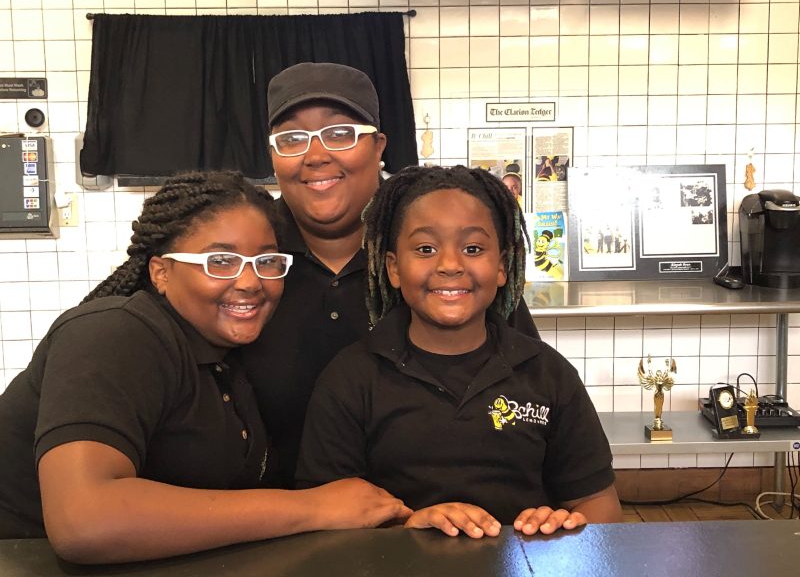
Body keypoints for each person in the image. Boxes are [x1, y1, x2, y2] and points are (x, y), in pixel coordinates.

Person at [0, 172, 410, 563]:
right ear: (161, 272)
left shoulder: (225, 360)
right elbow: (84, 522)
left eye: (266, 262)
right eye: (220, 261)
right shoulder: (113, 333)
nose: (251, 282)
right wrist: (313, 508)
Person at [241, 62, 540, 489]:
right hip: (272, 522)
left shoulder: (435, 260)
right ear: (273, 155)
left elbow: (528, 382)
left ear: (379, 146)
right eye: (291, 139)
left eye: (340, 133)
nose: (316, 155)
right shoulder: (247, 257)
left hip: (440, 521)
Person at [296, 165, 621, 538]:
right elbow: (321, 523)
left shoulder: (548, 373)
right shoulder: (350, 379)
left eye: (472, 248)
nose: (450, 265)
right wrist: (407, 526)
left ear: (501, 266)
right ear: (394, 268)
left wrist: (565, 527)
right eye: (425, 249)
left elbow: (599, 505)